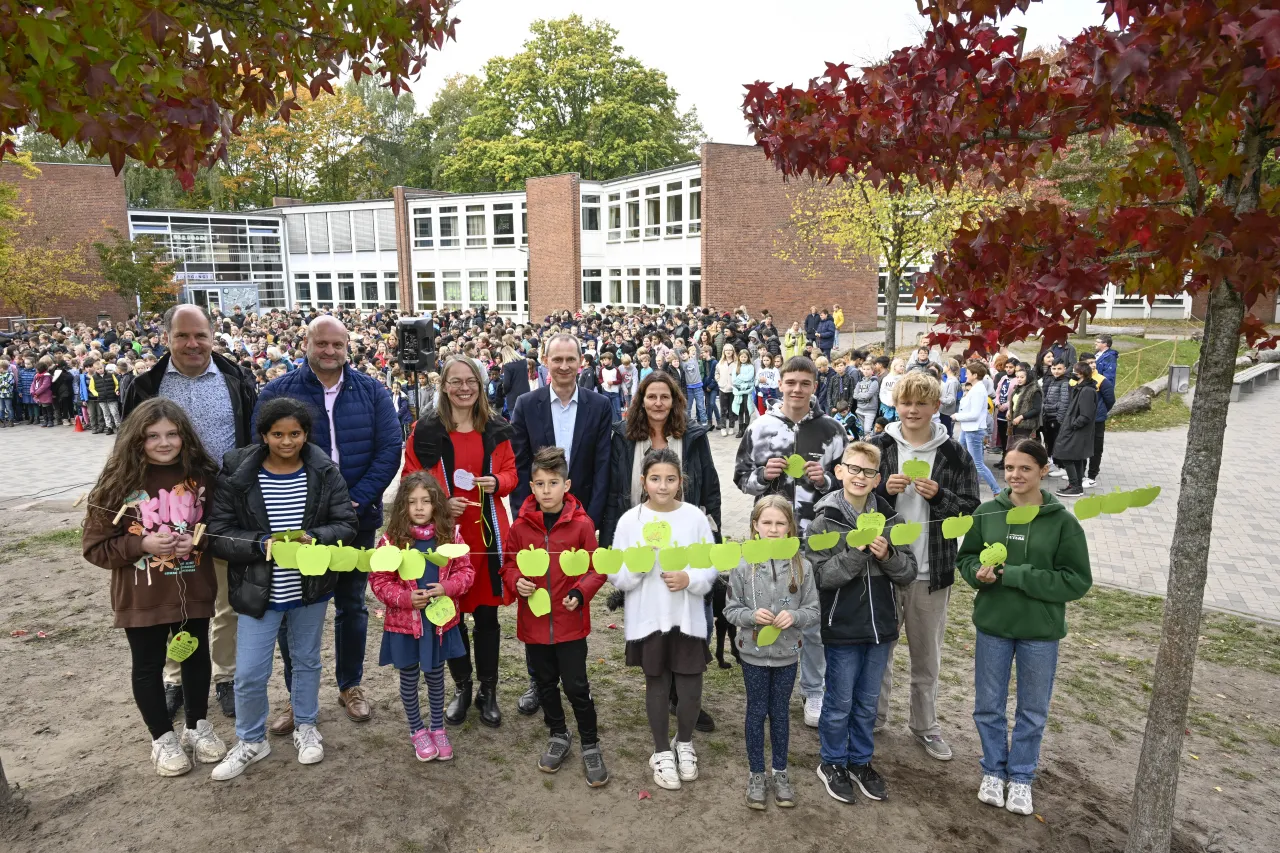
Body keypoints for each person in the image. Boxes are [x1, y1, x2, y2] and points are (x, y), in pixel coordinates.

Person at [256, 315, 403, 729]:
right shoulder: (278, 391)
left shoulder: (372, 391)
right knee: (292, 607)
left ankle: (350, 684)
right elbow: (263, 451)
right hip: (297, 523)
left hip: (357, 517)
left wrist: (354, 501)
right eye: (322, 343)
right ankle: (295, 696)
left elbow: (389, 449)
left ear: (347, 347)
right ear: (307, 343)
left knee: (352, 605)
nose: (330, 352)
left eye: (337, 345)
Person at [207, 398, 358, 780]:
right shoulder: (239, 474)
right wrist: (261, 544)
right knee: (250, 673)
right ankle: (251, 739)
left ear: (306, 434)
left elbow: (346, 523)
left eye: (295, 434)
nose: (286, 441)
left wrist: (315, 536)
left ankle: (306, 725)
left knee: (306, 661)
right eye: (278, 434)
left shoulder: (324, 471)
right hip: (259, 591)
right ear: (263, 435)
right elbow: (219, 533)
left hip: (309, 588)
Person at [122, 304, 259, 721]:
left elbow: (253, 438)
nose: (192, 343)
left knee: (224, 598)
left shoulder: (236, 378)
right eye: (182, 335)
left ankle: (225, 675)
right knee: (170, 594)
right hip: (167, 506)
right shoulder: (147, 385)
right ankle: (174, 677)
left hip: (224, 504)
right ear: (167, 338)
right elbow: (128, 448)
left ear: (213, 336)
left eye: (200, 334)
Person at [81, 399, 228, 777]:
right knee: (147, 664)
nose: (164, 443)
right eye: (152, 436)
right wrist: (141, 545)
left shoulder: (204, 477)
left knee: (194, 656)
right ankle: (162, 736)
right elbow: (95, 548)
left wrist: (196, 542)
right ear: (136, 439)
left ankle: (196, 725)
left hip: (192, 589)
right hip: (141, 595)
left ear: (185, 436)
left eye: (172, 434)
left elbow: (219, 529)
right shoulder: (117, 485)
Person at [957, 438, 1092, 816]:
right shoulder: (987, 513)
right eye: (1010, 468)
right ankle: (992, 771)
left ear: (1043, 471)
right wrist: (977, 576)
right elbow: (966, 559)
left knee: (1032, 710)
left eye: (1025, 469)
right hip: (994, 625)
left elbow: (1076, 580)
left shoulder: (1063, 522)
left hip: (1039, 631)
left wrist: (1014, 575)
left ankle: (1020, 777)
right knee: (988, 706)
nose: (1015, 475)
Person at [869, 372, 980, 762]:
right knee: (879, 650)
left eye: (921, 403)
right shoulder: (879, 447)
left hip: (932, 572)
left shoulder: (953, 453)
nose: (912, 410)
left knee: (926, 656)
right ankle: (873, 718)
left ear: (936, 407)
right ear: (895, 405)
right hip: (882, 568)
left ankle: (924, 725)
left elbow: (970, 512)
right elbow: (855, 502)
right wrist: (882, 491)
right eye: (905, 402)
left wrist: (941, 496)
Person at [404, 355, 518, 727]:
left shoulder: (496, 427)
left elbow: (512, 473)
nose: (464, 388)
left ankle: (489, 690)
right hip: (443, 536)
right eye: (455, 381)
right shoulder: (425, 431)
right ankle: (462, 687)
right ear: (443, 386)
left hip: (486, 533)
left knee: (486, 614)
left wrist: (497, 484)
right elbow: (410, 479)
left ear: (480, 385)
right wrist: (438, 501)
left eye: (470, 380)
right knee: (449, 614)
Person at [734, 356, 846, 729]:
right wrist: (762, 477)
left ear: (815, 386)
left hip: (814, 537)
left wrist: (825, 480)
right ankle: (765, 678)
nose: (797, 389)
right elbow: (740, 477)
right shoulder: (761, 426)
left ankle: (814, 688)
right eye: (791, 382)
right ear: (780, 384)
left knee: (808, 614)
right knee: (765, 607)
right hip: (768, 538)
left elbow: (850, 480)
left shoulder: (831, 429)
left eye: (805, 382)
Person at [508, 333, 614, 716]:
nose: (565, 366)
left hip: (578, 519)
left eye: (571, 359)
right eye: (558, 360)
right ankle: (539, 681)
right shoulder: (526, 404)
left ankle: (575, 679)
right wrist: (526, 515)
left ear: (581, 362)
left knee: (571, 599)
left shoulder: (599, 405)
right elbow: (519, 465)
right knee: (536, 595)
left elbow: (603, 465)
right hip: (537, 520)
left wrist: (595, 518)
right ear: (545, 362)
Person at [805, 441, 917, 804]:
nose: (859, 476)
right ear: (839, 471)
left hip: (881, 627)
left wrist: (888, 555)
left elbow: (909, 571)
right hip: (842, 627)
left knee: (868, 702)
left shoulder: (891, 518)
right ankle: (832, 762)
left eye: (868, 472)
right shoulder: (824, 519)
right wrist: (855, 555)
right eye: (852, 469)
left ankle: (860, 760)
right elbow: (820, 576)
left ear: (877, 478)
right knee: (838, 702)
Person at [608, 448, 718, 791]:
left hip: (686, 618)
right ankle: (660, 751)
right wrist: (636, 570)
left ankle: (684, 743)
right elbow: (616, 573)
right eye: (655, 479)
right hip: (649, 618)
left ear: (680, 482)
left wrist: (691, 580)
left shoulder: (694, 519)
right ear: (643, 482)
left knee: (690, 688)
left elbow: (710, 562)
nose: (663, 485)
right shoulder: (630, 521)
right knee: (656, 683)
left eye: (670, 479)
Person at [502, 447, 610, 786]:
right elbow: (507, 564)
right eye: (539, 483)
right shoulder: (520, 527)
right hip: (534, 625)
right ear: (531, 487)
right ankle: (558, 734)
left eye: (553, 482)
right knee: (545, 683)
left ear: (567, 485)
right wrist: (514, 581)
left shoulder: (581, 525)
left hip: (570, 625)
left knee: (576, 685)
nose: (546, 490)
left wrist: (581, 592)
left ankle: (590, 743)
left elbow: (596, 569)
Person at [370, 471, 474, 763]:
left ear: (435, 504)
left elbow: (466, 572)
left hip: (439, 624)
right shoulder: (391, 541)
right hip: (405, 625)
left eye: (425, 501)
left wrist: (447, 587)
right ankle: (417, 730)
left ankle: (437, 727)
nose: (418, 507)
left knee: (436, 674)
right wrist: (404, 599)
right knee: (409, 675)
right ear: (402, 505)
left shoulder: (450, 536)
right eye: (412, 501)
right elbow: (379, 580)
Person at [723, 496, 819, 810]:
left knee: (779, 713)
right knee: (756, 712)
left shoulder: (802, 566)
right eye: (767, 523)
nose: (774, 529)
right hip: (752, 654)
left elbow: (813, 610)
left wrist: (796, 617)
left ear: (790, 527)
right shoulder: (742, 565)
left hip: (787, 654)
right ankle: (756, 773)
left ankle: (779, 772)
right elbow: (731, 610)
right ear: (755, 526)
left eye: (780, 523)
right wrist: (751, 616)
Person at [953, 361, 1001, 495]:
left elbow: (974, 414)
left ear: (974, 375)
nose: (966, 375)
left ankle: (996, 489)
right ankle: (961, 483)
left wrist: (957, 416)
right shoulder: (975, 388)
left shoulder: (978, 390)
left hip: (974, 430)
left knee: (978, 464)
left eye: (968, 373)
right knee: (959, 456)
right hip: (967, 429)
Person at [1052, 361, 1098, 498]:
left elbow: (1086, 415)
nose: (1072, 373)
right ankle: (1076, 486)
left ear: (1081, 374)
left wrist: (1073, 425)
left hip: (1077, 431)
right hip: (1074, 429)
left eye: (1075, 371)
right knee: (1075, 458)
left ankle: (1075, 486)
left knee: (1067, 456)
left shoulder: (1087, 391)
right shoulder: (1081, 388)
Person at [1080, 352, 1116, 489]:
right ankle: (1080, 473)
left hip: (1097, 420)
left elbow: (1110, 400)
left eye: (1094, 362)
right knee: (1081, 446)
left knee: (1096, 448)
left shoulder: (1102, 380)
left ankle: (1092, 476)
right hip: (1082, 420)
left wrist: (1100, 411)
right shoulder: (1078, 379)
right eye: (1089, 363)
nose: (1093, 365)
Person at [1040, 359, 1071, 473]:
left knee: (1057, 442)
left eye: (1059, 369)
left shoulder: (1065, 382)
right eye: (1054, 368)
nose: (1056, 371)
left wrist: (1059, 418)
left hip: (1056, 417)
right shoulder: (1052, 380)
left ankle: (1061, 466)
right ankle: (1053, 462)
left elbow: (1064, 402)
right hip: (1048, 414)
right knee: (1049, 441)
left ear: (1065, 369)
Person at [1006, 365, 1043, 450]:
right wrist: (1009, 411)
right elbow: (1014, 403)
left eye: (1022, 377)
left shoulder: (1034, 390)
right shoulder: (1017, 388)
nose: (1019, 379)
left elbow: (1036, 409)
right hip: (1015, 422)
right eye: (1017, 377)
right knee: (1016, 446)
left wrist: (1021, 417)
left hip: (1026, 424)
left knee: (1022, 447)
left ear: (1028, 377)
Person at [730, 348, 756, 438]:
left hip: (747, 392)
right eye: (742, 357)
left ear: (748, 357)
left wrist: (740, 377)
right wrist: (741, 381)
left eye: (745, 357)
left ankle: (746, 428)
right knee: (740, 410)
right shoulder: (736, 367)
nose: (743, 358)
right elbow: (734, 380)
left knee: (747, 410)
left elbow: (749, 377)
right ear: (739, 357)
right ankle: (741, 429)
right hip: (739, 392)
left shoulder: (751, 367)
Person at [853, 360, 881, 437]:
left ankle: (871, 443)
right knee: (861, 430)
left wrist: (860, 395)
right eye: (864, 369)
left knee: (867, 430)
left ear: (872, 370)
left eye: (868, 369)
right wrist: (863, 396)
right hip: (860, 410)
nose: (866, 371)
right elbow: (854, 395)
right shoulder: (860, 382)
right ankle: (863, 444)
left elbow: (868, 395)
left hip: (870, 410)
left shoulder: (874, 382)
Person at [715, 344, 738, 437]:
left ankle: (731, 426)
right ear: (724, 352)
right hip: (723, 389)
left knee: (732, 409)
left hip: (733, 389)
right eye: (726, 350)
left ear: (733, 351)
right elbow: (716, 373)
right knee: (723, 409)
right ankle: (723, 427)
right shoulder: (720, 363)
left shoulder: (737, 363)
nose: (728, 352)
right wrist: (718, 380)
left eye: (730, 350)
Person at [879, 357, 905, 422]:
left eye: (903, 366)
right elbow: (882, 392)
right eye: (900, 366)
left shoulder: (905, 379)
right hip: (887, 406)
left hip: (900, 406)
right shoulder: (887, 379)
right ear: (894, 367)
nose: (902, 367)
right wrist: (888, 402)